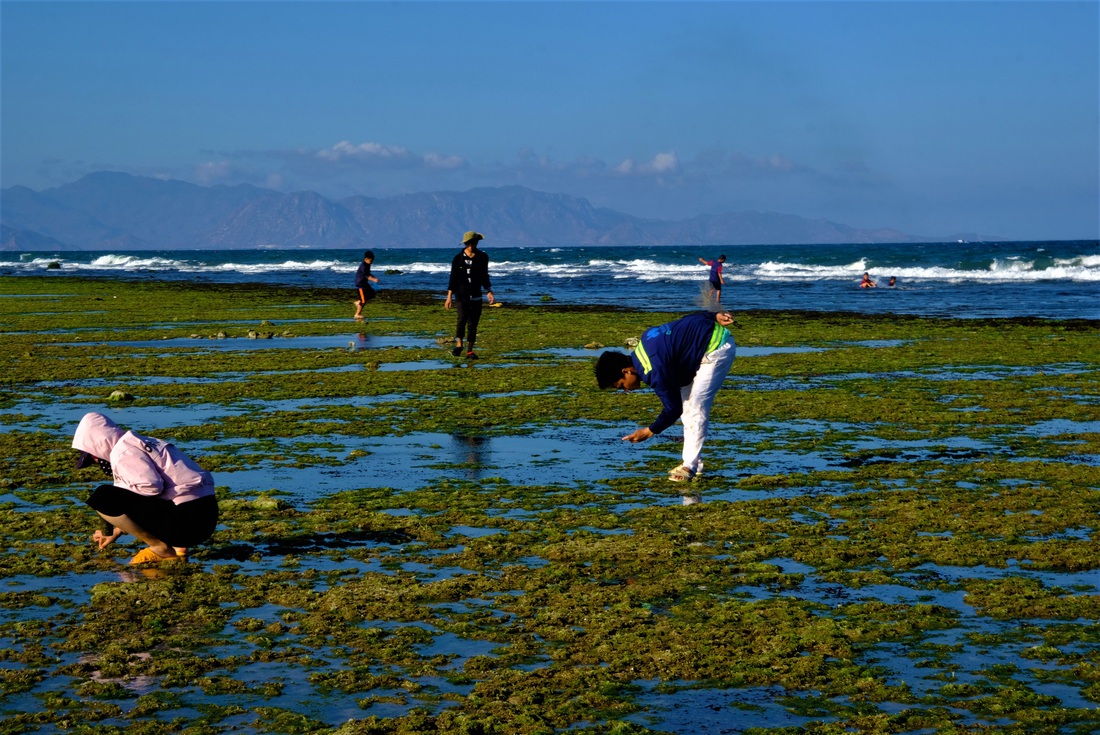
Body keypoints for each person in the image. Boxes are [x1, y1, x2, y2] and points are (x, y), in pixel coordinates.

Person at [595, 310, 737, 482]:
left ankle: (689, 467)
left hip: (716, 348)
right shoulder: (645, 342)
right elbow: (685, 321)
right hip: (696, 352)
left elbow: (672, 409)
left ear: (626, 371)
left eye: (621, 385)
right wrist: (713, 315)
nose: (626, 390)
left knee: (695, 409)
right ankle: (693, 463)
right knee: (688, 409)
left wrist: (648, 431)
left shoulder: (653, 370)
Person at [72, 412, 218, 565]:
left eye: (92, 456)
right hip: (206, 517)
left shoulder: (122, 452)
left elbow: (151, 487)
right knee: (172, 491)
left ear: (98, 443)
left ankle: (159, 547)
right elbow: (182, 482)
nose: (96, 461)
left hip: (187, 524)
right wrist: (117, 530)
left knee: (102, 496)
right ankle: (179, 549)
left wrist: (120, 504)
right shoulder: (146, 442)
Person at [444, 231, 494, 359]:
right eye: (469, 243)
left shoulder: (482, 257)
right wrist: (449, 296)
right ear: (465, 243)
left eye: (473, 242)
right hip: (461, 295)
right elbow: (453, 278)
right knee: (461, 319)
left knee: (473, 323)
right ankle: (459, 344)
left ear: (477, 242)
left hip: (476, 294)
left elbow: (484, 276)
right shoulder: (458, 258)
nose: (471, 245)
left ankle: (470, 351)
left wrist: (489, 291)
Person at [353, 250, 380, 319]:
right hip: (361, 284)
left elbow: (368, 273)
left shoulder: (367, 265)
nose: (371, 262)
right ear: (366, 259)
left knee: (372, 294)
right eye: (370, 261)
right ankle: (357, 314)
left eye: (372, 261)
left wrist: (374, 277)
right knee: (363, 300)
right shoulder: (363, 266)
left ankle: (357, 302)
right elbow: (366, 275)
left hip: (365, 283)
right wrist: (373, 279)